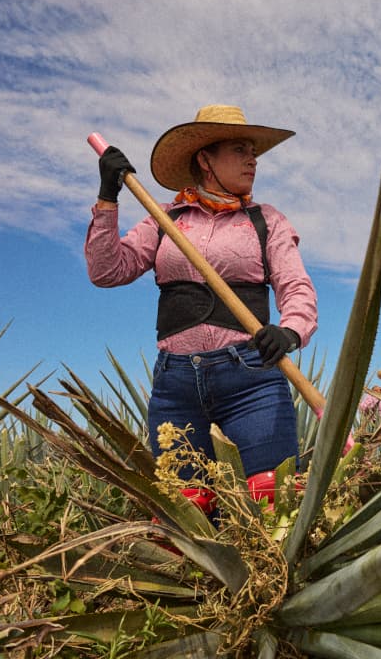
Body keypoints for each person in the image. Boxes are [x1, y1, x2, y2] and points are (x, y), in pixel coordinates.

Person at [85, 104, 317, 511]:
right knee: (185, 516)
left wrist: (291, 330)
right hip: (176, 386)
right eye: (239, 150)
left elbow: (295, 286)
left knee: (273, 502)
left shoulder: (267, 221)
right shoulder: (164, 219)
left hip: (252, 378)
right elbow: (107, 271)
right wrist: (108, 197)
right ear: (205, 159)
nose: (252, 160)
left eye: (254, 152)